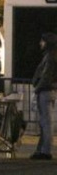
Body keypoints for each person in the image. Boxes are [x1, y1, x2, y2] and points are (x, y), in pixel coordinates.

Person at [30, 32, 57, 160]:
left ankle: (45, 151)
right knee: (46, 122)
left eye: (42, 41)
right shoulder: (51, 55)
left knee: (46, 122)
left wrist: (37, 88)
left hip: (45, 91)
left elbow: (46, 76)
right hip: (48, 91)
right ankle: (42, 149)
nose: (40, 43)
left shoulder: (50, 57)